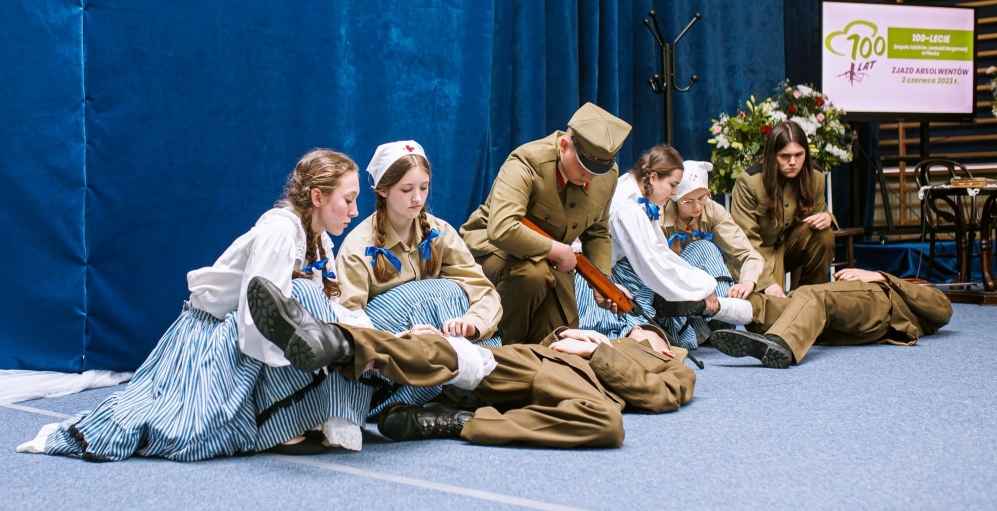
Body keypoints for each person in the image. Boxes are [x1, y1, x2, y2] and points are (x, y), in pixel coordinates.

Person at [19, 149, 378, 461]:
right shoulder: (281, 233)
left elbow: (330, 308)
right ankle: (278, 427)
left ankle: (294, 416)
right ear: (317, 197)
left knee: (322, 317)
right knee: (195, 428)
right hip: (212, 335)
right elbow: (259, 319)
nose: (354, 210)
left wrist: (373, 337)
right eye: (348, 199)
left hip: (243, 330)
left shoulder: (318, 241)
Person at [246, 276, 696, 448]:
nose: (634, 330)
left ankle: (460, 420)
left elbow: (660, 397)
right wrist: (580, 338)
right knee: (457, 354)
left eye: (644, 332)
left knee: (609, 427)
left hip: (588, 393)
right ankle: (335, 340)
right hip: (538, 362)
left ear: (658, 342)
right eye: (635, 328)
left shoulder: (676, 362)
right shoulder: (604, 334)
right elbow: (551, 341)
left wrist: (599, 351)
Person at [335, 140, 502, 416]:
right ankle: (418, 398)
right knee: (431, 295)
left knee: (489, 346)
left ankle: (440, 399)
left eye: (423, 188)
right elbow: (349, 319)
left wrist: (471, 325)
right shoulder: (357, 249)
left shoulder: (440, 233)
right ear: (383, 190)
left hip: (440, 343)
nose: (417, 198)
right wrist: (402, 340)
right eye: (406, 189)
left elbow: (483, 290)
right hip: (393, 351)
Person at [460, 103, 632, 345]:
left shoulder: (607, 175)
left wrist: (601, 282)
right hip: (494, 250)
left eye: (598, 171)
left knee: (562, 340)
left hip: (552, 263)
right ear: (564, 146)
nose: (591, 178)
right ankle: (498, 350)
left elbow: (598, 232)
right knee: (533, 274)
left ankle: (537, 362)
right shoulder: (527, 161)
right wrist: (559, 250)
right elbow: (502, 228)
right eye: (584, 167)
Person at [574, 145, 754, 350]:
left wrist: (704, 286)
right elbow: (653, 263)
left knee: (705, 250)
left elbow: (660, 250)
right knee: (633, 336)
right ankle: (699, 320)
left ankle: (713, 319)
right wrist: (702, 288)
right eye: (673, 184)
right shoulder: (628, 208)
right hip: (595, 274)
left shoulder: (641, 198)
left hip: (626, 271)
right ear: (652, 177)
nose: (675, 192)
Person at [708, 268, 954, 368]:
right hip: (867, 329)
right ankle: (712, 308)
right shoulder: (913, 316)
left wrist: (880, 276)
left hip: (879, 303)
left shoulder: (896, 288)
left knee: (812, 293)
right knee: (789, 308)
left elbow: (944, 308)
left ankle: (780, 344)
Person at [656, 159, 765, 347]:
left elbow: (747, 253)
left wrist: (748, 280)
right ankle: (689, 329)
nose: (697, 207)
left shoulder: (713, 211)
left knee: (711, 252)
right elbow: (656, 262)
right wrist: (701, 285)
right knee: (704, 247)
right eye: (688, 201)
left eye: (702, 198)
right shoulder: (659, 212)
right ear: (674, 196)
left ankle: (718, 323)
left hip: (705, 298)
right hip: (667, 286)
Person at [730, 120, 836, 297]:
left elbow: (818, 214)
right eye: (785, 156)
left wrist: (826, 217)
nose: (792, 162)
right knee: (773, 311)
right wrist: (767, 282)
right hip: (759, 254)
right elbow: (745, 240)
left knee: (824, 234)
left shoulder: (815, 177)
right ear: (773, 155)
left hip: (792, 247)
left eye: (798, 155)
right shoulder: (750, 182)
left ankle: (813, 298)